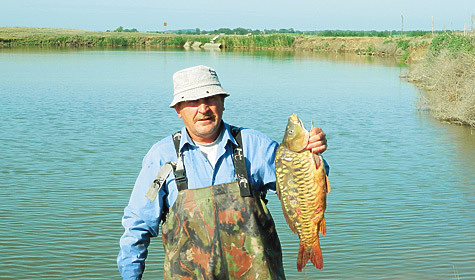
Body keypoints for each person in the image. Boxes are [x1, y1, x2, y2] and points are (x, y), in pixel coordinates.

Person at [117, 65, 328, 280]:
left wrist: (312, 154)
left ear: (223, 102)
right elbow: (137, 227)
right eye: (192, 102)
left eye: (210, 98)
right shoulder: (161, 157)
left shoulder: (255, 145)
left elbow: (304, 185)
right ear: (178, 110)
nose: (203, 108)